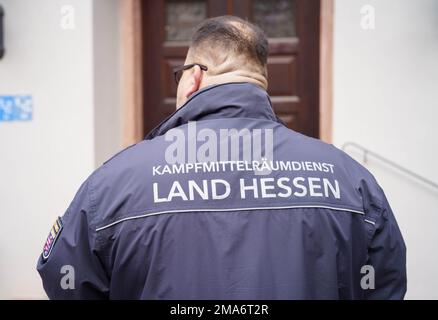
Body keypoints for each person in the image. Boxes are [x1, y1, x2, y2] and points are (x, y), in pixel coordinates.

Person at [37, 15, 406, 299]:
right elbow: (384, 284)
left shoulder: (114, 183)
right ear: (259, 82)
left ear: (194, 77)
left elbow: (66, 281)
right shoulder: (350, 181)